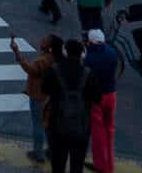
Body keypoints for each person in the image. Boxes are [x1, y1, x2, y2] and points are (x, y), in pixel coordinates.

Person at [40, 38, 100, 173]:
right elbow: (97, 97)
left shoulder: (54, 70)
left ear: (65, 52)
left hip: (57, 126)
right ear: (82, 54)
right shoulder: (88, 73)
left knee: (58, 165)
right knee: (77, 165)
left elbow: (45, 89)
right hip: (81, 127)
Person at [12, 34, 60, 165]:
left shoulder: (43, 61)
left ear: (50, 47)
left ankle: (38, 153)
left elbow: (30, 69)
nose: (41, 41)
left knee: (38, 125)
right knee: (48, 125)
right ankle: (51, 151)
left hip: (38, 96)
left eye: (45, 41)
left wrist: (17, 52)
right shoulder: (56, 58)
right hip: (50, 96)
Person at [82, 28, 119, 173]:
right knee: (109, 129)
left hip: (97, 97)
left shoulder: (89, 59)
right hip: (111, 94)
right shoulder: (112, 53)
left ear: (90, 42)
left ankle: (101, 165)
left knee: (98, 132)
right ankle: (110, 165)